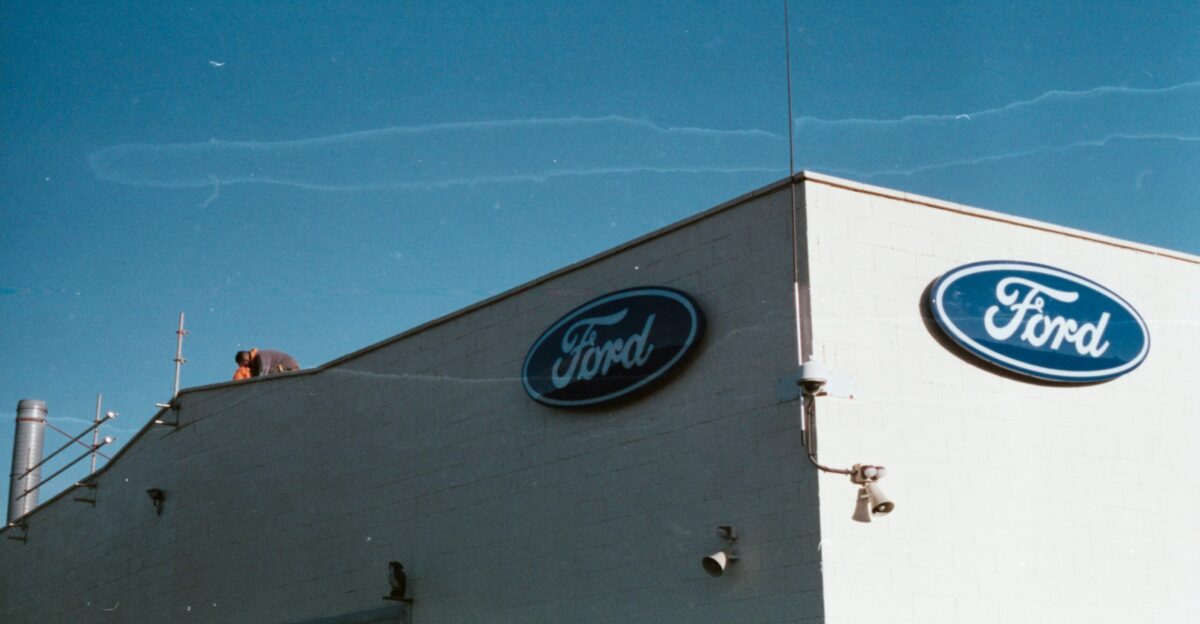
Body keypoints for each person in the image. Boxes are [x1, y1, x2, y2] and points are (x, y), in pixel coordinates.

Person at [234, 348, 300, 378]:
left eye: (243, 365)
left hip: (290, 370)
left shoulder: (260, 357)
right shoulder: (255, 361)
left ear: (245, 361)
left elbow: (261, 378)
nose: (245, 367)